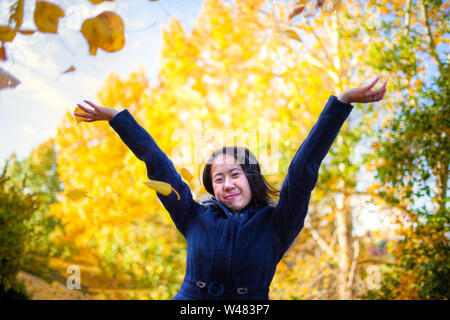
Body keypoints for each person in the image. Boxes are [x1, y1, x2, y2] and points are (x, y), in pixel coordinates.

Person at [75, 77, 387, 300]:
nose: (227, 184)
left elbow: (303, 169)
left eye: (234, 174)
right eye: (218, 179)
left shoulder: (278, 223)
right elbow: (161, 166)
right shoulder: (193, 216)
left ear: (250, 177)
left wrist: (341, 103)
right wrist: (119, 119)